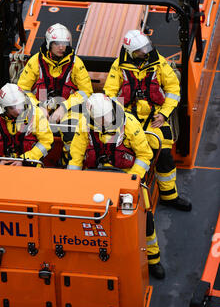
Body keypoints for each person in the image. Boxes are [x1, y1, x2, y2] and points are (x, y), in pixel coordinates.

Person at [67, 93, 165, 279]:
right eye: (100, 118)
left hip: (127, 179)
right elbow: (76, 156)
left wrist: (130, 181)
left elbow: (144, 156)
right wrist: (73, 184)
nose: (104, 121)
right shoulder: (84, 125)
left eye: (106, 116)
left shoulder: (129, 124)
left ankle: (153, 259)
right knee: (88, 220)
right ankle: (94, 256)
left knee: (146, 222)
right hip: (94, 180)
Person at [104, 29, 192, 211]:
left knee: (165, 156)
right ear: (131, 52)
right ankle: (126, 194)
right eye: (140, 50)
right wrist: (121, 117)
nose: (145, 52)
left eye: (146, 47)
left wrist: (164, 114)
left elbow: (173, 90)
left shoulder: (158, 62)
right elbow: (110, 93)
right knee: (120, 152)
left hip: (155, 118)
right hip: (128, 118)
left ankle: (169, 196)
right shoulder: (118, 66)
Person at [17, 23, 93, 165]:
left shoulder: (76, 63)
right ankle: (32, 164)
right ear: (49, 44)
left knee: (73, 135)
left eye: (64, 44)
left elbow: (86, 92)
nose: (61, 47)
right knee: (26, 132)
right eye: (57, 43)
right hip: (39, 108)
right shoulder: (35, 62)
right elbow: (22, 89)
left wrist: (64, 107)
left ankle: (67, 165)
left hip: (68, 110)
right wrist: (38, 106)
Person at [0, 83, 53, 166]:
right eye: (12, 107)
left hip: (29, 164)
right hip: (0, 165)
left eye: (20, 104)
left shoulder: (36, 114)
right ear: (4, 108)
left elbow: (47, 141)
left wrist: (24, 160)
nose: (18, 110)